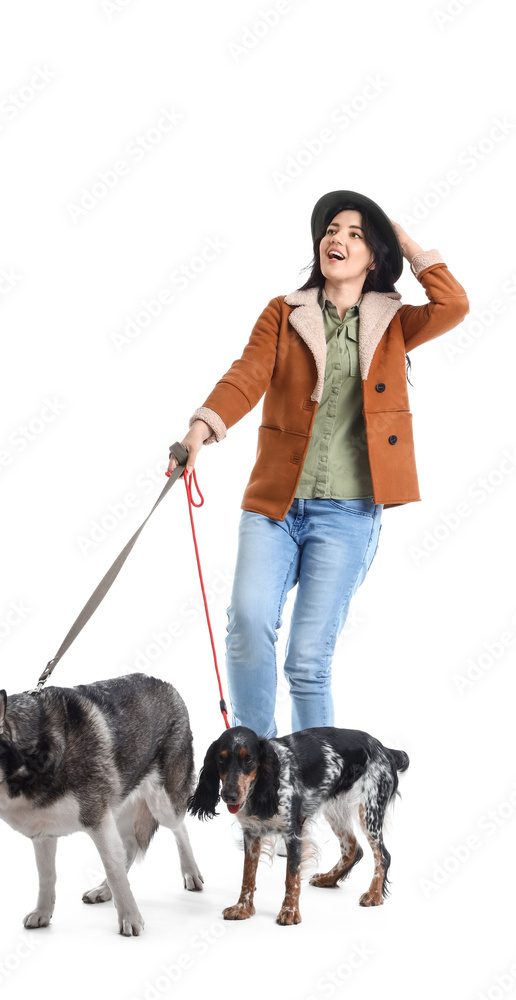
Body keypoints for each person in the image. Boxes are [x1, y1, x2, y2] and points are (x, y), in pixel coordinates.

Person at [168, 190, 469, 739]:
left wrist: (402, 238)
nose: (340, 239)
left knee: (308, 663)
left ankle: (313, 789)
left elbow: (454, 306)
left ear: (374, 255)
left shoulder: (396, 321)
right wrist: (200, 429)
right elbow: (247, 374)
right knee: (248, 625)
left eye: (357, 233)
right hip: (274, 508)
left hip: (349, 515)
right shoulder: (284, 312)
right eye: (333, 229)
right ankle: (258, 769)